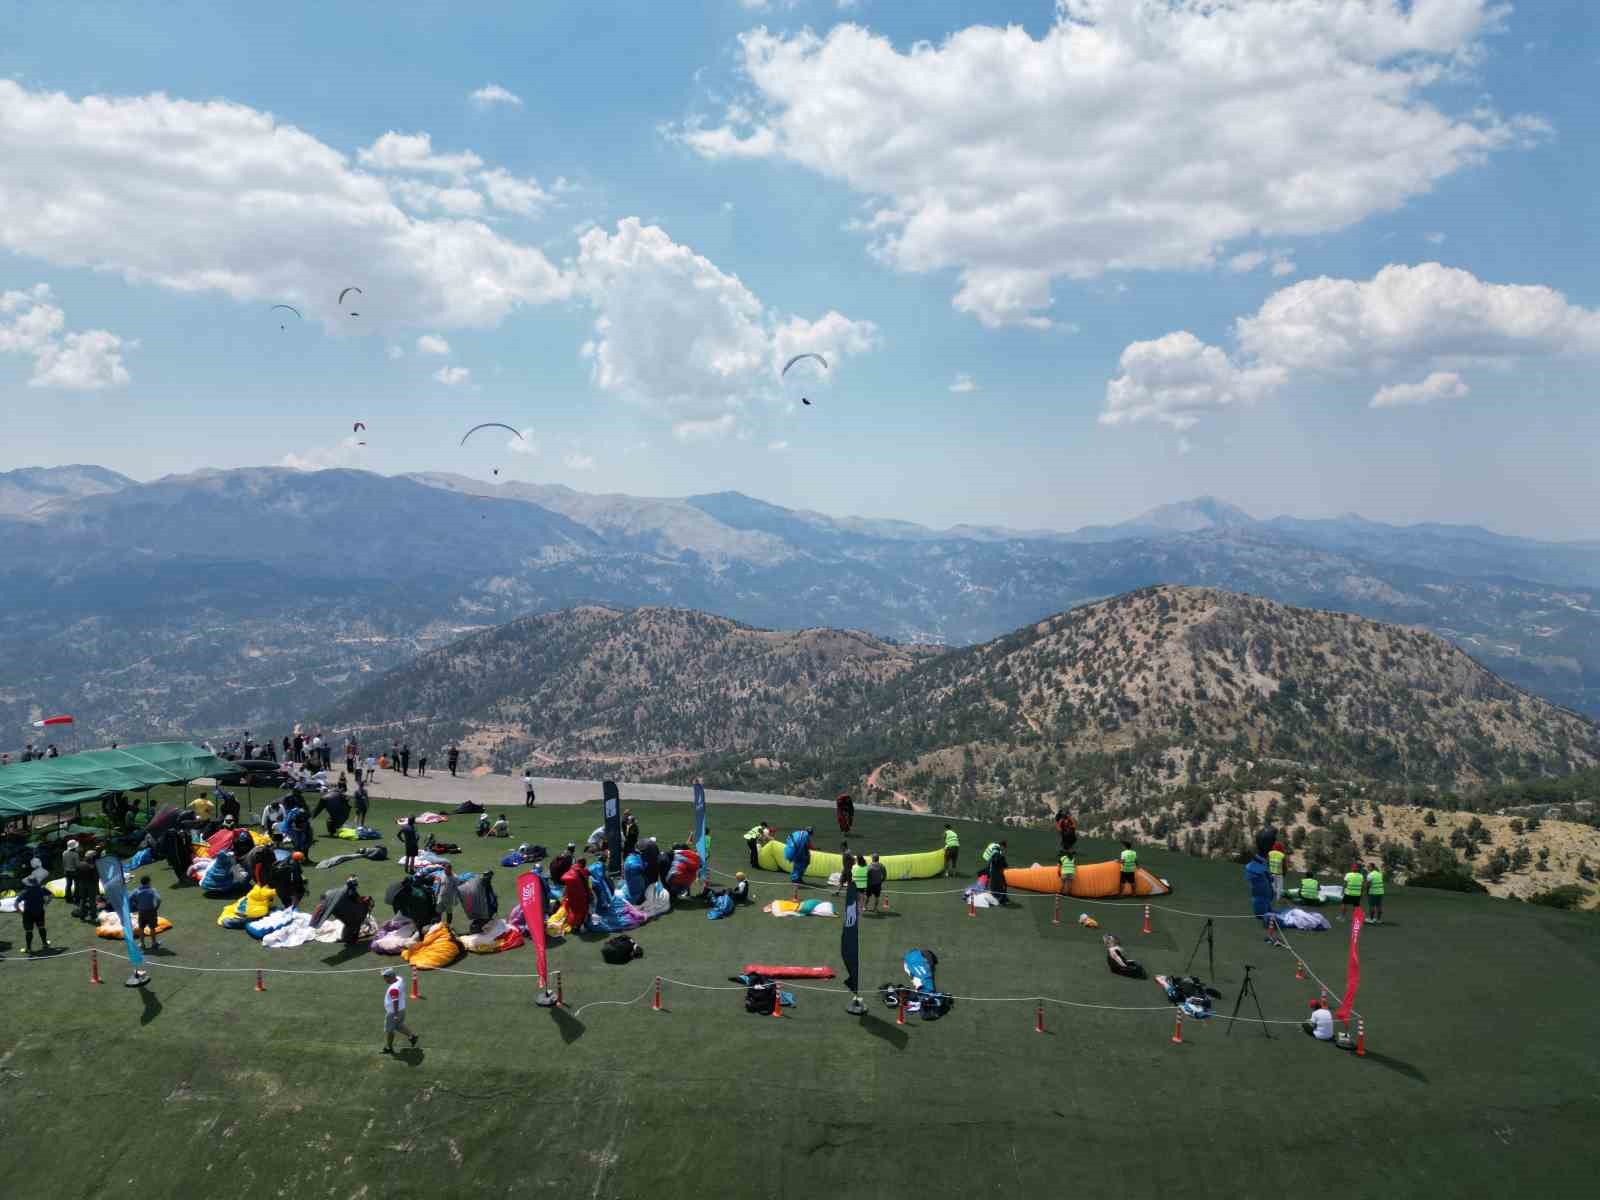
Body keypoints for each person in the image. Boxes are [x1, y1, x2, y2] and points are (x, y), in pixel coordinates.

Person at [380, 967, 419, 1054]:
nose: (384, 979)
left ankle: (389, 1048)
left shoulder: (394, 988)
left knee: (389, 1030)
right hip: (402, 1009)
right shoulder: (399, 979)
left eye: (385, 977)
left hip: (393, 1012)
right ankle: (412, 1036)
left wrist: (395, 1014)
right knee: (398, 1025)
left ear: (391, 977)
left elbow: (395, 1001)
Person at [19, 873, 51, 953]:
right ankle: (45, 944)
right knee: (41, 927)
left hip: (28, 913)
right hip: (39, 911)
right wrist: (47, 902)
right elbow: (51, 894)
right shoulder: (41, 888)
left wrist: (19, 911)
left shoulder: (25, 891)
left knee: (29, 931)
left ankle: (29, 948)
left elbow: (16, 902)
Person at [129, 875, 162, 950]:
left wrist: (136, 905)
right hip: (151, 911)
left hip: (141, 911)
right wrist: (156, 907)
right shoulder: (152, 890)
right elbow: (159, 899)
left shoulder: (136, 890)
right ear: (148, 882)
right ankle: (154, 943)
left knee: (141, 927)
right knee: (152, 927)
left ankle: (142, 944)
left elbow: (130, 899)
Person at [75, 851, 100, 921]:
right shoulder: (92, 866)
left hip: (82, 884)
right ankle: (93, 915)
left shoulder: (79, 864)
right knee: (92, 900)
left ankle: (82, 916)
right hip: (91, 884)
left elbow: (77, 875)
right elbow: (95, 877)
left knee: (82, 900)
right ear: (91, 857)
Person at [437, 862, 461, 928]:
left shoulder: (455, 878)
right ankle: (438, 925)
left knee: (449, 912)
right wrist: (437, 892)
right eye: (444, 870)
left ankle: (448, 926)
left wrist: (456, 899)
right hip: (441, 896)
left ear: (450, 870)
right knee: (439, 911)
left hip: (449, 898)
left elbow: (457, 889)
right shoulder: (442, 874)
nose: (445, 872)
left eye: (446, 870)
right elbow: (439, 883)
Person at [61, 839, 80, 904]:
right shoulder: (75, 854)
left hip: (67, 871)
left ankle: (68, 898)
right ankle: (77, 898)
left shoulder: (64, 853)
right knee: (77, 885)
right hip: (74, 871)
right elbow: (77, 865)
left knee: (68, 884)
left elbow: (63, 863)